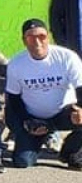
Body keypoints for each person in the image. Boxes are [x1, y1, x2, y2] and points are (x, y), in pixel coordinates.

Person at [5, 18, 82, 169]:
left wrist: (80, 108)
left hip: (63, 112)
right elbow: (13, 99)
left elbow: (81, 87)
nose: (37, 42)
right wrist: (27, 121)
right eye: (31, 37)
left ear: (48, 37)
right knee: (23, 162)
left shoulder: (67, 57)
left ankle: (70, 151)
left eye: (41, 36)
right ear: (24, 40)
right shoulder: (16, 63)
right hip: (33, 117)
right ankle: (35, 142)